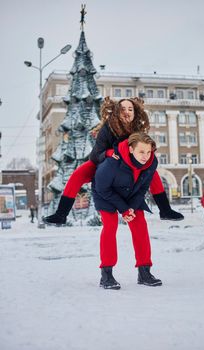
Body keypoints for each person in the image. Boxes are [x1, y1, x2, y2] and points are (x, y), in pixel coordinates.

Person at [43, 97, 184, 226]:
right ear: (117, 112)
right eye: (123, 109)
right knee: (77, 175)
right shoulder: (107, 128)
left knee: (153, 174)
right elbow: (95, 155)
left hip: (129, 166)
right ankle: (61, 214)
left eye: (130, 109)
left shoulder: (138, 130)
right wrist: (110, 153)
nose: (127, 112)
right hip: (104, 163)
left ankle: (165, 210)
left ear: (135, 113)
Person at [92, 132, 162, 289]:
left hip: (131, 194)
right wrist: (123, 209)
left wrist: (130, 208)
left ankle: (144, 272)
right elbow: (102, 188)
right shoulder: (111, 163)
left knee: (140, 227)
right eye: (141, 152)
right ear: (131, 149)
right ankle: (106, 274)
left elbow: (143, 188)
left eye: (149, 151)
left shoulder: (151, 163)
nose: (146, 156)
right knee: (110, 226)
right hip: (106, 194)